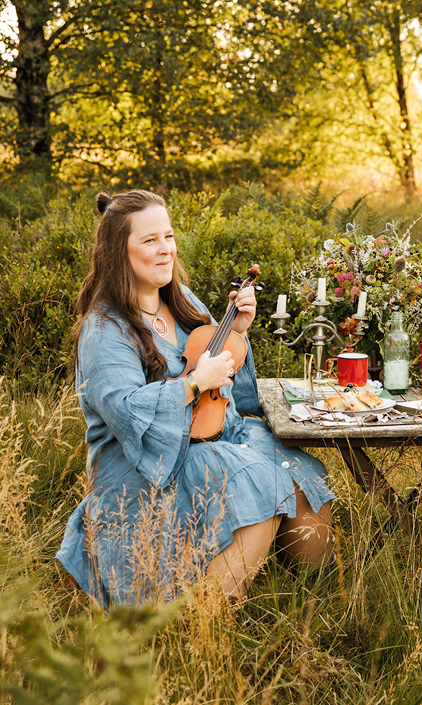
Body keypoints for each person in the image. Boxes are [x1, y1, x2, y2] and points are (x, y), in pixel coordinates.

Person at [57, 190, 335, 608]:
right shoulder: (105, 330)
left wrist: (237, 331)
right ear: (119, 251)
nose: (165, 249)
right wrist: (190, 385)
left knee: (297, 464)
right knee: (259, 481)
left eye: (168, 236)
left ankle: (311, 596)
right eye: (149, 240)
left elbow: (233, 397)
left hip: (207, 436)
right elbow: (125, 411)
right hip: (141, 462)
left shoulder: (184, 302)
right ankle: (201, 620)